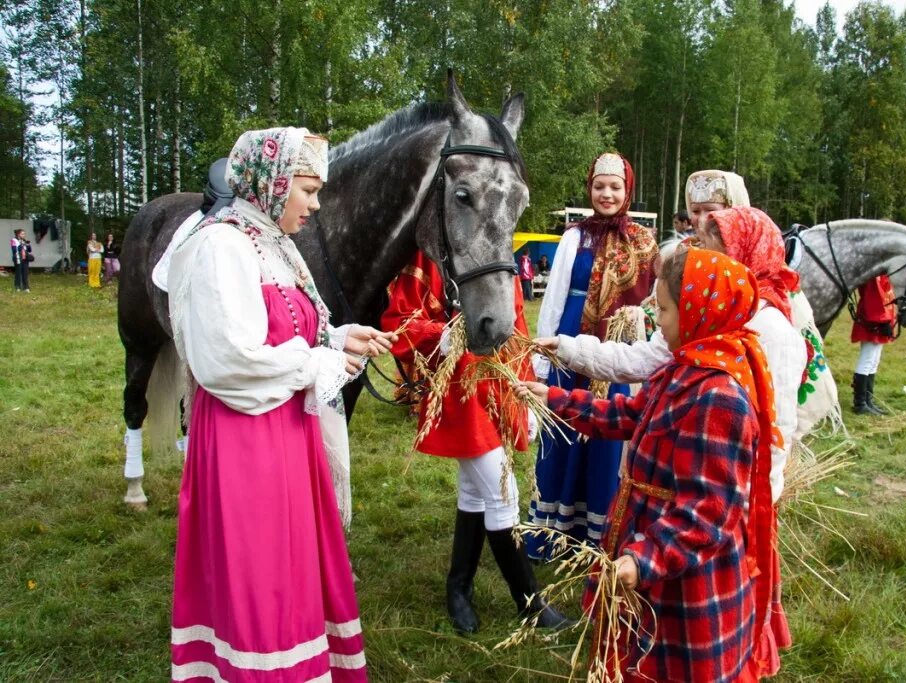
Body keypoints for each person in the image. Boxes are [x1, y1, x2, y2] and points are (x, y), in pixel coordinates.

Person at [537, 205, 818, 677]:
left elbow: (707, 510)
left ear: (698, 311)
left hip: (687, 568)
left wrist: (643, 559)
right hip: (660, 544)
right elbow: (632, 412)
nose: (658, 321)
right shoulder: (685, 363)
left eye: (664, 310)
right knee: (646, 656)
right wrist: (556, 398)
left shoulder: (719, 395)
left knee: (680, 666)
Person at [168, 127, 394, 682]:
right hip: (245, 438)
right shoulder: (222, 244)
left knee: (292, 570)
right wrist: (316, 366)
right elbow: (227, 357)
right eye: (308, 189)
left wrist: (339, 340)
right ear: (271, 183)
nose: (316, 205)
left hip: (287, 432)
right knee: (259, 574)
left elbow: (290, 328)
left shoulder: (273, 241)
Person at [381, 250, 569, 633]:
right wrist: (442, 336)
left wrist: (526, 396)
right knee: (503, 495)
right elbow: (398, 324)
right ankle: (530, 602)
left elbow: (516, 327)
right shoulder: (427, 259)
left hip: (501, 388)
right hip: (459, 394)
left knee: (475, 492)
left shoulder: (497, 250)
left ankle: (458, 588)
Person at [527, 152, 659, 557]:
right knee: (565, 430)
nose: (607, 194)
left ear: (627, 191)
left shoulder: (644, 241)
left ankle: (600, 533)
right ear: (590, 189)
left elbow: (655, 303)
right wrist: (542, 359)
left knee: (607, 439)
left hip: (618, 351)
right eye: (599, 186)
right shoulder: (574, 237)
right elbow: (554, 299)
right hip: (570, 345)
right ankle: (557, 531)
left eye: (615, 187)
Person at [851, 275, 897, 415]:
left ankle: (867, 400)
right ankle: (860, 403)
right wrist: (883, 321)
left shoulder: (881, 272)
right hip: (874, 322)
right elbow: (875, 298)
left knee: (873, 361)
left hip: (879, 320)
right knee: (867, 360)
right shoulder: (875, 275)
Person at [685, 169, 751, 227]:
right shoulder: (686, 241)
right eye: (695, 211)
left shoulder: (751, 241)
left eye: (710, 210)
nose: (701, 219)